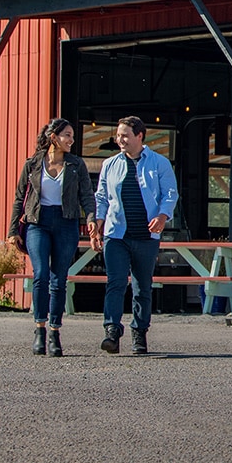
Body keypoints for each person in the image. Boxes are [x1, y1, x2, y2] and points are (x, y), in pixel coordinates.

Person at [89, 115, 178, 355]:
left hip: (145, 237)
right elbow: (101, 197)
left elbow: (170, 194)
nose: (120, 140)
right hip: (116, 235)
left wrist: (162, 216)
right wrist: (97, 224)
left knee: (142, 287)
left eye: (125, 135)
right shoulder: (110, 164)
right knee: (115, 283)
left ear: (140, 136)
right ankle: (112, 332)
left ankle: (140, 333)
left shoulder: (159, 163)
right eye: (118, 136)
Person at [7, 118, 95, 357]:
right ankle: (39, 330)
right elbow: (19, 199)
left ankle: (55, 332)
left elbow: (87, 195)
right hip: (38, 223)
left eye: (73, 136)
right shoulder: (33, 164)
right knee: (41, 275)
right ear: (54, 137)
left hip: (66, 223)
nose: (72, 140)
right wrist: (13, 230)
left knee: (59, 279)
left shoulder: (76, 165)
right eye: (68, 135)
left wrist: (91, 219)